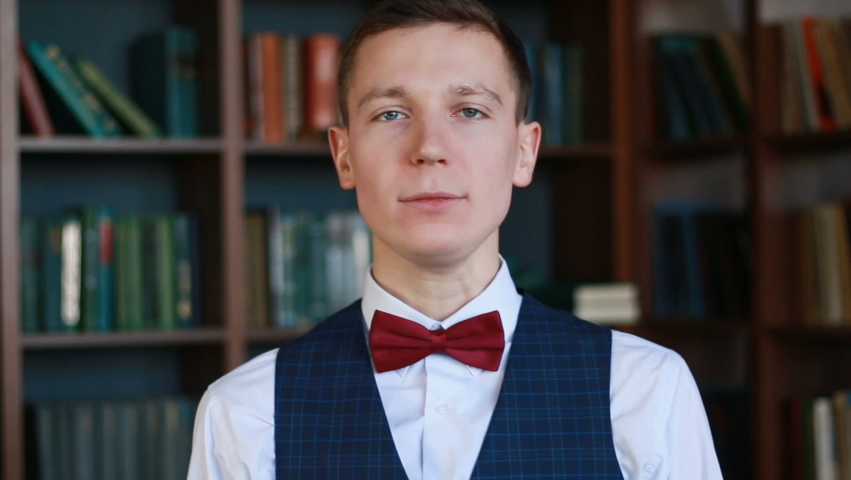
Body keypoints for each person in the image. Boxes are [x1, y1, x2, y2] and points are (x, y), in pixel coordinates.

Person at [187, 0, 723, 478]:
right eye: (391, 114)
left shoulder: (646, 389)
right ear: (343, 156)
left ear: (524, 151)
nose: (429, 148)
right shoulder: (245, 412)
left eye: (469, 111)